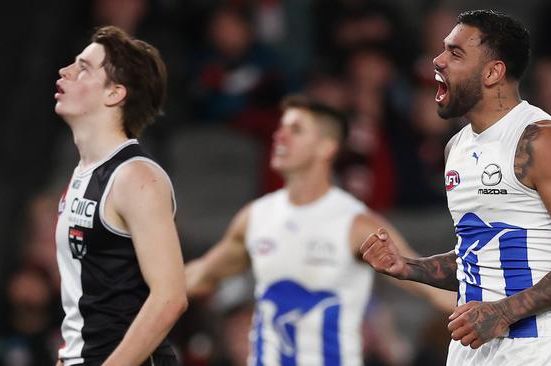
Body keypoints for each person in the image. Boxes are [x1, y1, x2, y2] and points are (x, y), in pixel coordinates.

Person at [359, 9, 551, 366]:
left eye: (455, 52)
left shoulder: (543, 139)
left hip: (537, 347)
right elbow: (478, 256)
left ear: (494, 72)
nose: (438, 59)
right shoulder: (457, 148)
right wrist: (407, 266)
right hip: (472, 345)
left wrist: (504, 312)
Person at [185, 95, 454, 365]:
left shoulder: (355, 224)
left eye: (296, 130)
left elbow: (426, 285)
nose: (280, 136)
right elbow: (201, 276)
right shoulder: (255, 217)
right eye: (281, 128)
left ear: (326, 148)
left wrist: (492, 311)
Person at [54, 26, 188, 366]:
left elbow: (170, 297)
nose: (65, 72)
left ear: (114, 93)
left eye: (83, 68)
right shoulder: (85, 171)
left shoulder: (136, 177)